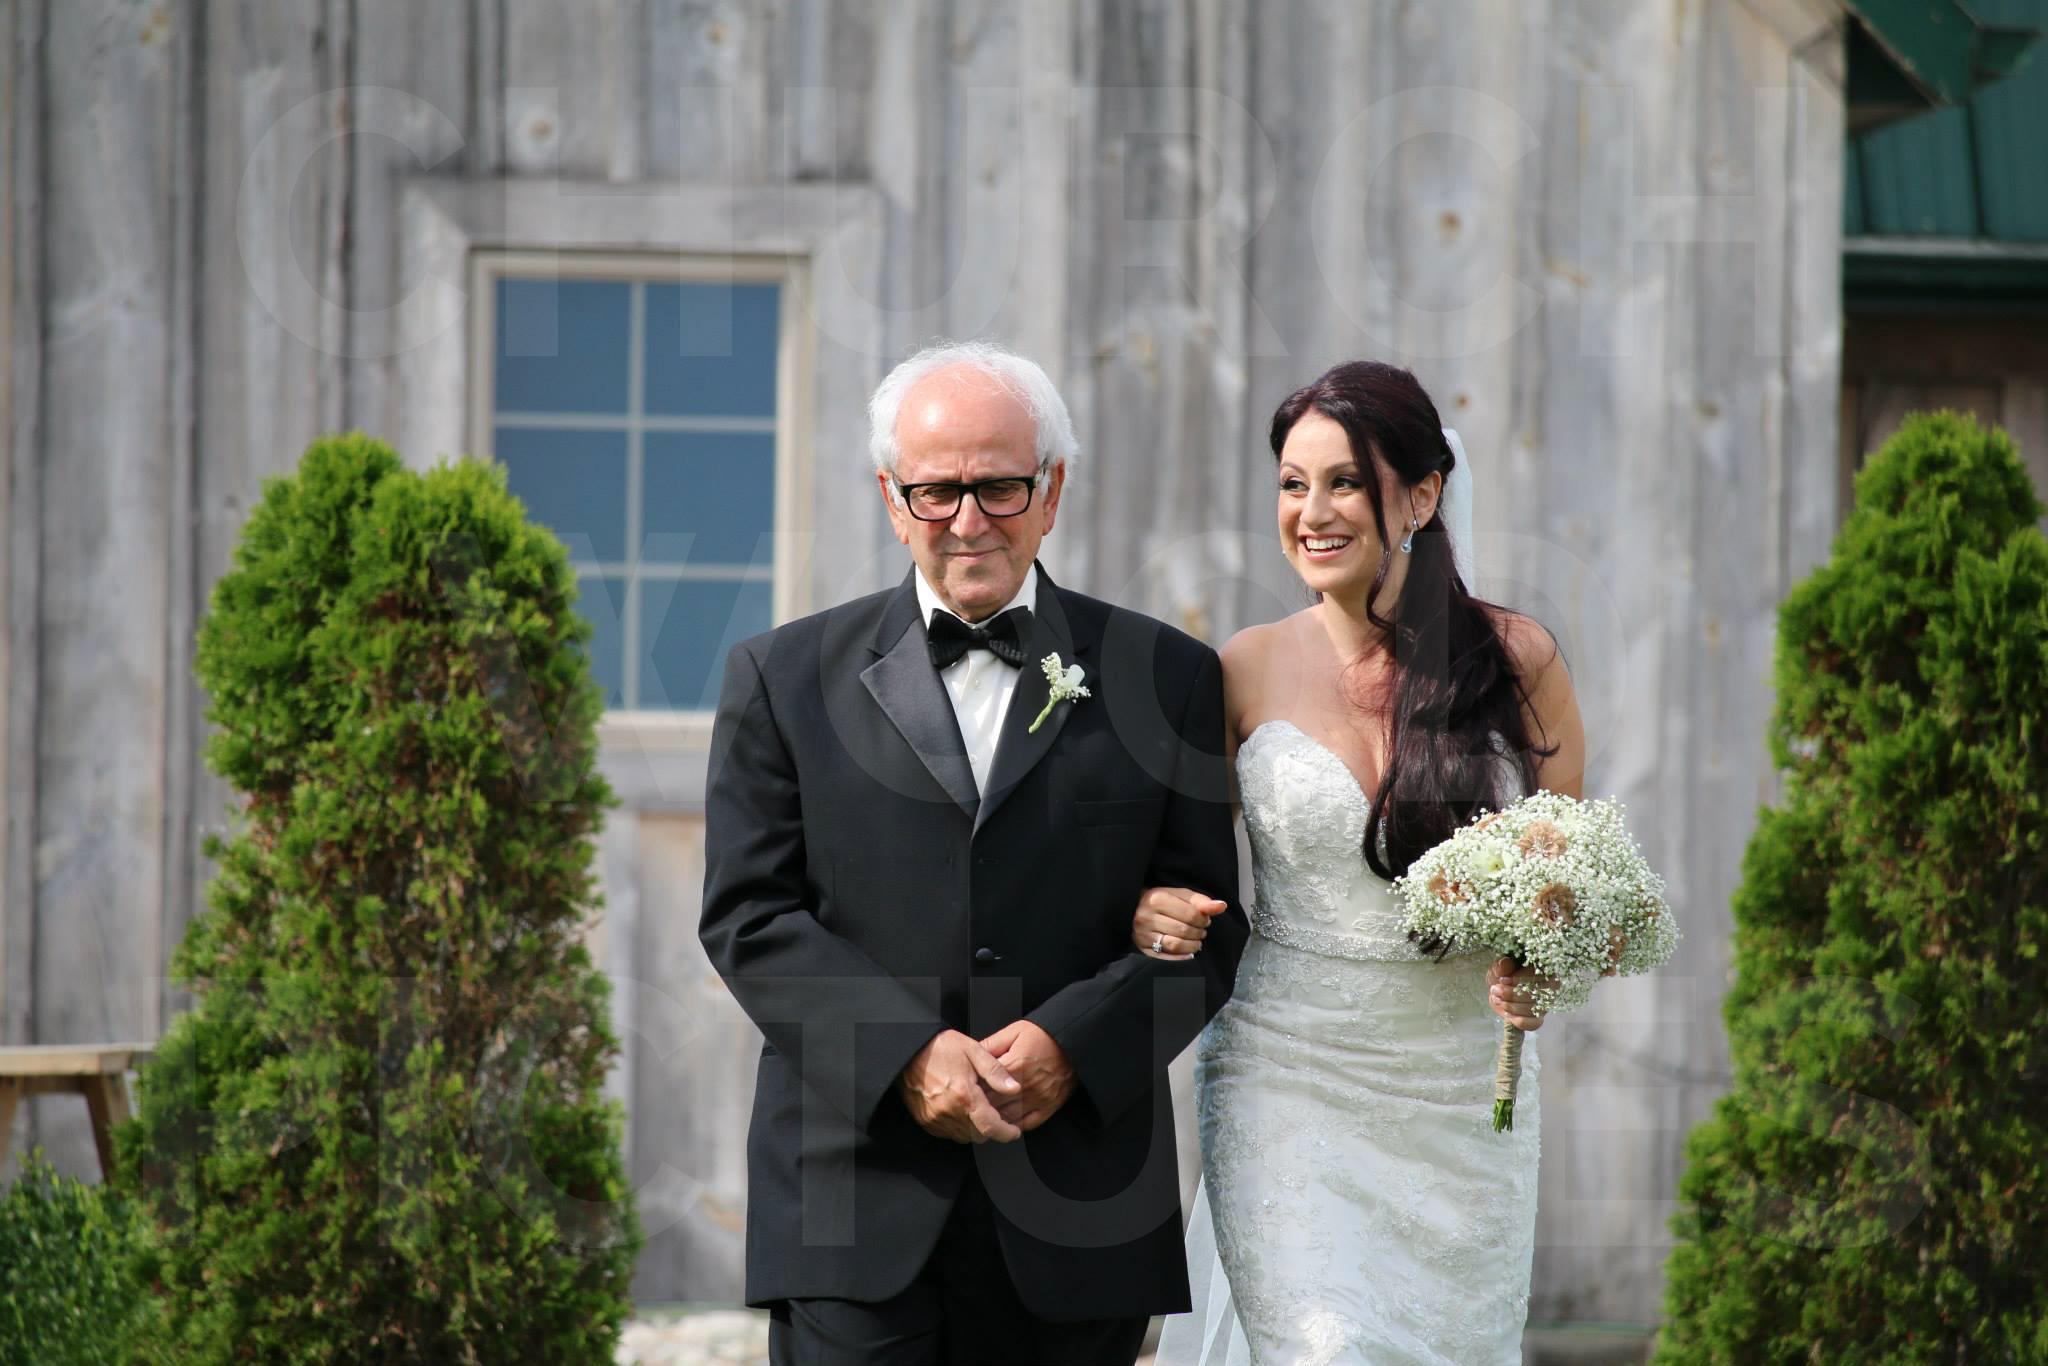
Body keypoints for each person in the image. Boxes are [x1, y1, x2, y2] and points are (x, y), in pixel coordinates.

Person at [698, 340, 1249, 1366]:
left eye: (998, 487)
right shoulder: (780, 678)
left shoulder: (1166, 676)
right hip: (849, 1199)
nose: (967, 520)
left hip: (1079, 1206)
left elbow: (1210, 933)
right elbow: (749, 918)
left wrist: (1070, 1048)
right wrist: (905, 1057)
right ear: (890, 498)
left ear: (1052, 491)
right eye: (936, 490)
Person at [1142, 361, 1587, 1365]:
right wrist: (1146, 908)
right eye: (1292, 484)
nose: (1311, 512)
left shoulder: (1517, 661)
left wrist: (1542, 965)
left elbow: (1570, 873)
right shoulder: (1241, 668)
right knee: (1326, 1346)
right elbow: (1172, 858)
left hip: (1461, 1099)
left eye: (1344, 482)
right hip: (1285, 1078)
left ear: (1421, 497)